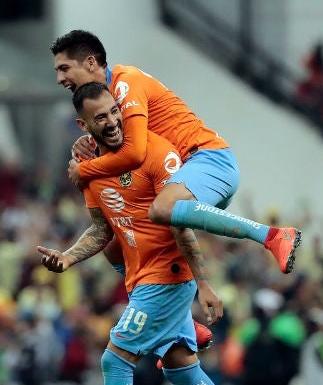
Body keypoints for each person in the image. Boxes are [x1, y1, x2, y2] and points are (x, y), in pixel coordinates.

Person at [39, 82, 265, 385]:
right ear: (83, 124)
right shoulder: (90, 169)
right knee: (182, 368)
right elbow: (101, 229)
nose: (110, 122)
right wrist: (68, 258)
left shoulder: (156, 153)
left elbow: (180, 220)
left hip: (167, 277)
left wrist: (204, 284)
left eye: (112, 112)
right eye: (99, 118)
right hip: (141, 279)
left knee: (115, 359)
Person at [50, 30, 301, 275]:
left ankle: (273, 236)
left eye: (64, 68)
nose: (60, 78)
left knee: (161, 209)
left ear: (91, 62)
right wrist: (91, 142)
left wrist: (84, 169)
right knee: (116, 248)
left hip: (207, 160)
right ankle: (174, 312)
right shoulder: (110, 100)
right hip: (183, 177)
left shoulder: (126, 82)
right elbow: (124, 142)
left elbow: (135, 153)